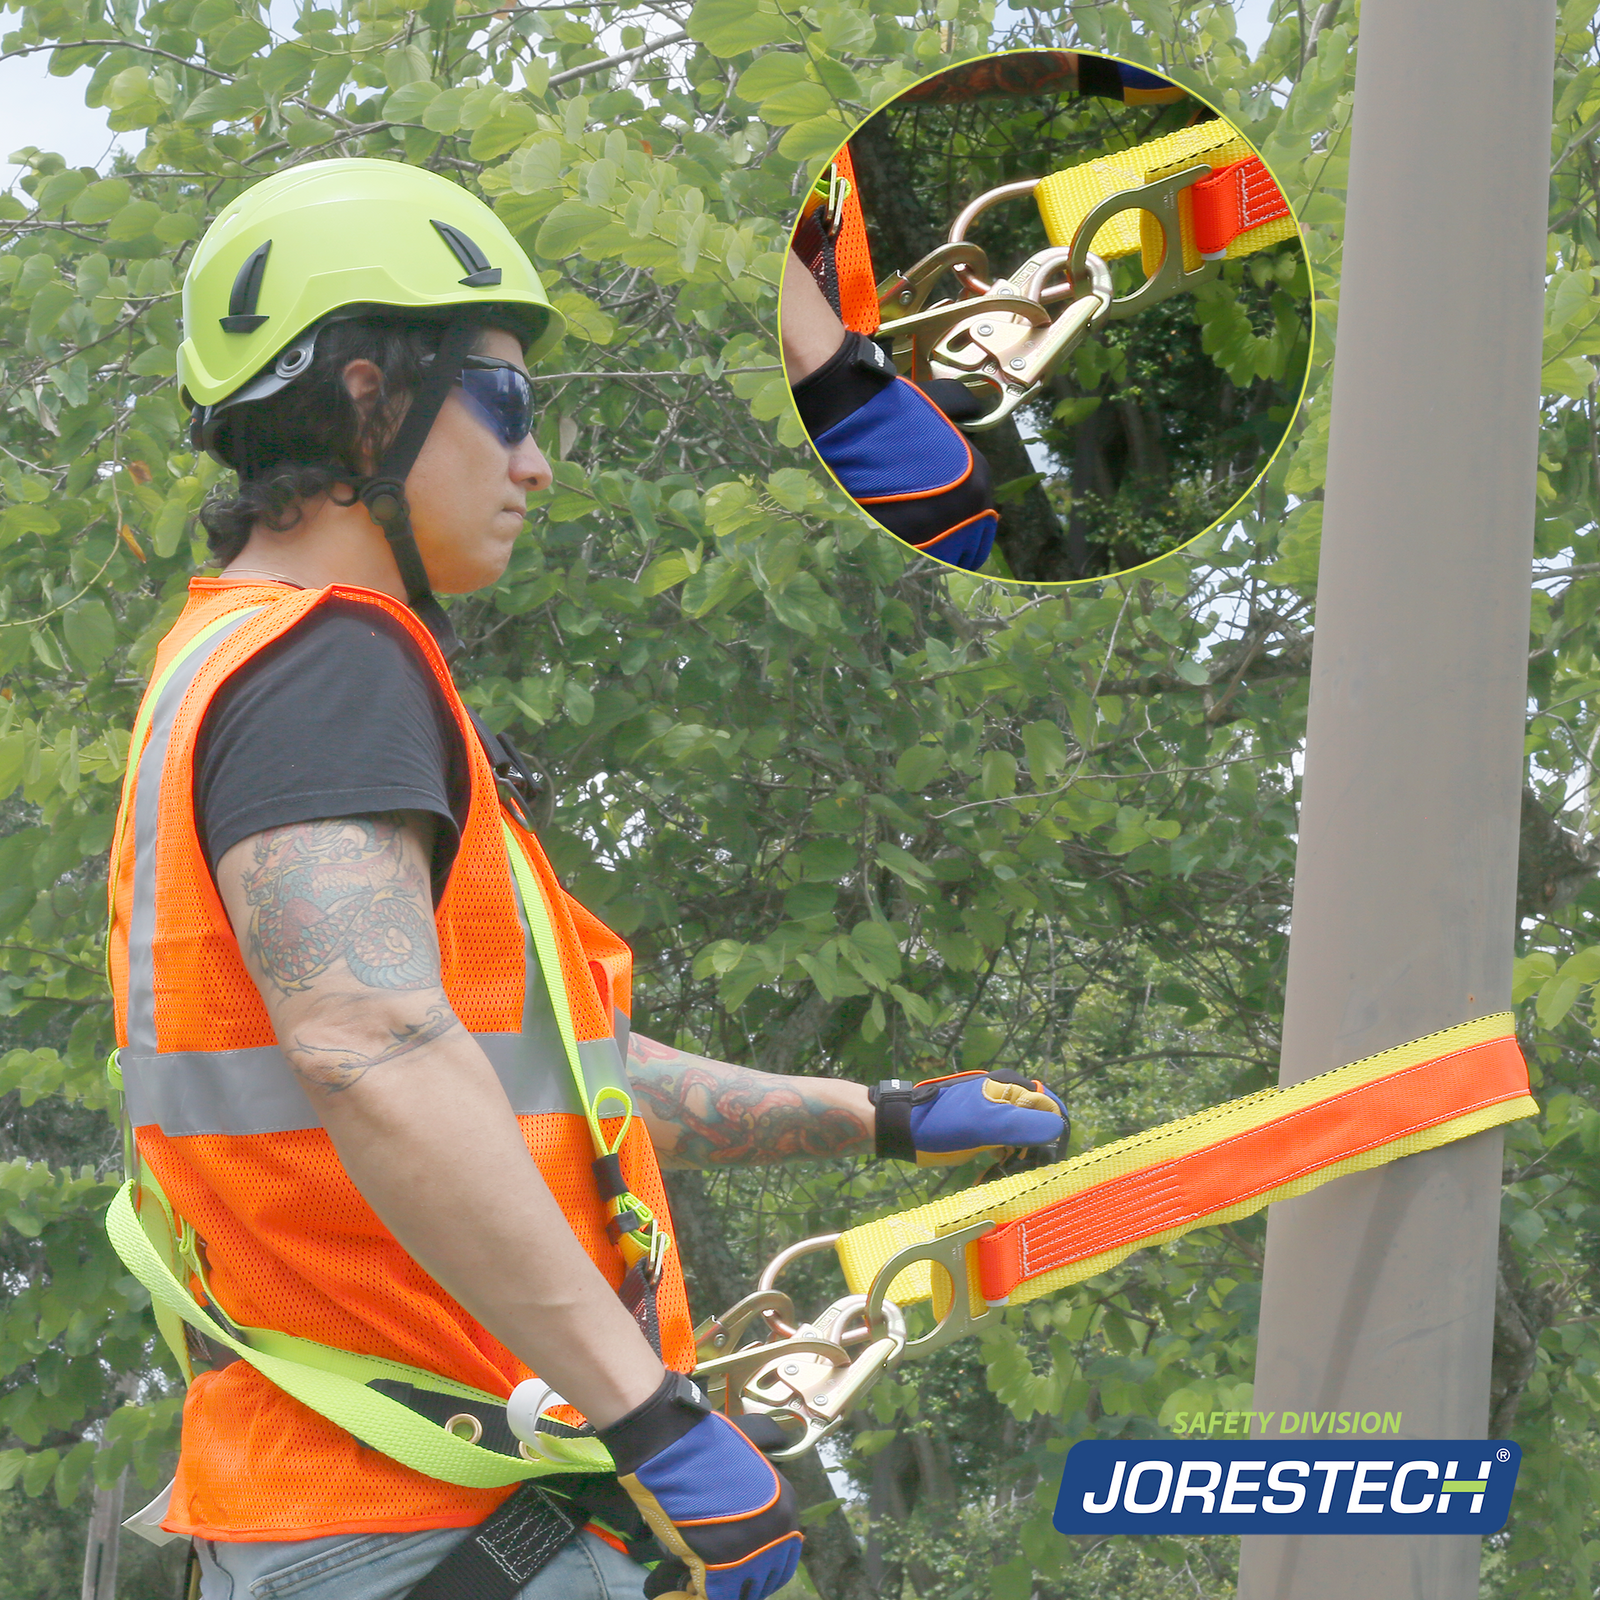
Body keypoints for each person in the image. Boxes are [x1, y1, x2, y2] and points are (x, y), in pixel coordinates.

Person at [109, 157, 1068, 1600]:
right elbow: (371, 1047)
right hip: (422, 1519)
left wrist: (875, 1120)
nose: (535, 463)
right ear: (369, 396)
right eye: (505, 402)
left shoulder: (244, 664)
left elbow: (552, 1083)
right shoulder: (327, 665)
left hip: (382, 1520)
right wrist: (653, 1415)